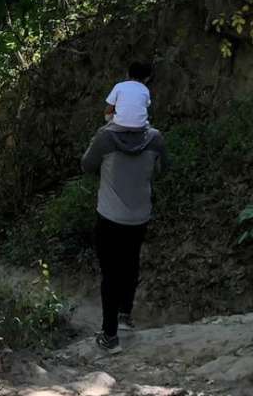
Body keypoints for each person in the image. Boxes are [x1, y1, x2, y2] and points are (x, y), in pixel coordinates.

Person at [80, 92, 168, 354]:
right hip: (140, 216)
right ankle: (125, 317)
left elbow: (86, 165)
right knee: (131, 264)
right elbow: (164, 169)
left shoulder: (105, 137)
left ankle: (110, 337)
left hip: (109, 216)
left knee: (110, 273)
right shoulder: (155, 138)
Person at [103, 62, 152, 127]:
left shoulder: (119, 86)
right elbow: (145, 105)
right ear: (146, 78)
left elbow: (109, 108)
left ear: (128, 74)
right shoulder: (145, 90)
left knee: (102, 129)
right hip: (140, 126)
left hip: (119, 124)